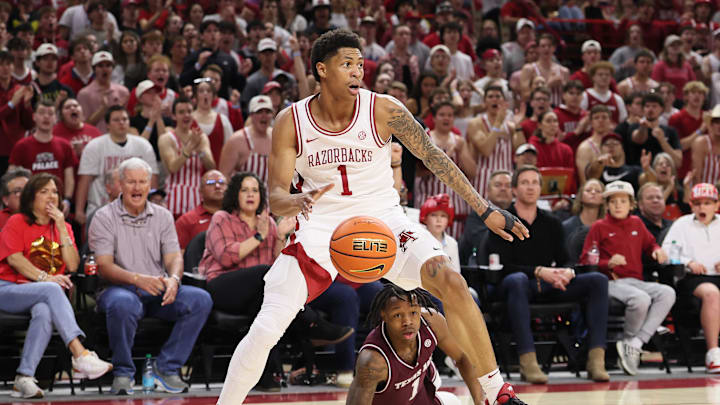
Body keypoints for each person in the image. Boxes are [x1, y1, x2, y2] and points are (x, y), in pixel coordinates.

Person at [216, 29, 529, 405]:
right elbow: (276, 197)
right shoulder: (291, 120)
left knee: (451, 281)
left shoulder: (383, 109)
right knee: (266, 329)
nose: (356, 72)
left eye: (360, 65)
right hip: (320, 227)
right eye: (346, 64)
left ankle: (498, 394)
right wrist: (297, 201)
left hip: (384, 222)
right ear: (322, 70)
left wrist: (486, 209)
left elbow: (434, 157)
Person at [88, 158, 213, 395]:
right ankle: (123, 372)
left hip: (157, 289)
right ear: (121, 185)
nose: (137, 188)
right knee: (123, 303)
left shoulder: (163, 216)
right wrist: (137, 279)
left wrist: (174, 280)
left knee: (200, 300)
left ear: (150, 185)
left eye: (142, 182)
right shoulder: (104, 217)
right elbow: (103, 266)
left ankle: (166, 368)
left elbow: (174, 257)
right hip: (118, 289)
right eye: (131, 182)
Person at [487, 166, 610, 383]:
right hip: (516, 287)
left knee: (598, 281)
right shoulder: (502, 221)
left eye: (535, 182)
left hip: (549, 284)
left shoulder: (551, 222)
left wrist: (567, 273)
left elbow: (565, 259)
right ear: (514, 189)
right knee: (517, 280)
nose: (531, 187)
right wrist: (538, 271)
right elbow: (501, 267)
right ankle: (528, 361)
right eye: (525, 182)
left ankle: (596, 360)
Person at [0, 173, 113, 399]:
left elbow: (71, 264)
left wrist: (62, 227)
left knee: (44, 312)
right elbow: (14, 259)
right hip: (7, 288)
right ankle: (79, 353)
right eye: (43, 192)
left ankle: (23, 378)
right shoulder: (17, 221)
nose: (51, 196)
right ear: (31, 198)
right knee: (52, 290)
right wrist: (45, 278)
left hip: (42, 296)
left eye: (54, 191)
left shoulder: (62, 226)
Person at [580, 180, 675, 376]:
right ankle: (631, 346)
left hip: (636, 281)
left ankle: (635, 342)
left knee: (668, 292)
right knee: (641, 299)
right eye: (613, 201)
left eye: (622, 201)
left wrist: (658, 250)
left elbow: (651, 245)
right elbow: (585, 260)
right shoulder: (599, 226)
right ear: (606, 205)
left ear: (631, 204)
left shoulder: (637, 223)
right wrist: (608, 263)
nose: (618, 205)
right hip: (609, 282)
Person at [346, 285, 483, 405]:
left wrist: (479, 401)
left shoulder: (432, 322)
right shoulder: (373, 361)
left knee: (453, 401)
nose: (407, 322)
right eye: (397, 315)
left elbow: (462, 357)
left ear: (419, 309)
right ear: (384, 315)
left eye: (413, 313)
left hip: (419, 396)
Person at [662, 183, 720, 374]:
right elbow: (667, 252)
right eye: (698, 203)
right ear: (691, 205)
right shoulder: (682, 224)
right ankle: (713, 354)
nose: (702, 208)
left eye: (707, 203)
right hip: (693, 279)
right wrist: (688, 262)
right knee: (712, 294)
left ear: (716, 204)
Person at [75, 106, 159, 225]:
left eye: (125, 119)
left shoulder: (143, 145)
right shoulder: (95, 146)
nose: (121, 123)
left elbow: (152, 180)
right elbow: (84, 180)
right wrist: (79, 211)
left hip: (137, 211)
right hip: (100, 207)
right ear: (107, 124)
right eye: (116, 120)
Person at [9, 101, 77, 212]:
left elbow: (69, 177)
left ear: (56, 118)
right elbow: (11, 177)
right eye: (41, 113)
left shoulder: (64, 145)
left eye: (50, 113)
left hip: (57, 204)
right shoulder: (21, 146)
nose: (46, 117)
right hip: (29, 205)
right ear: (34, 116)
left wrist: (67, 200)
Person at [158, 98, 215, 218]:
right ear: (174, 116)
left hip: (196, 198)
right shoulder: (166, 138)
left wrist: (200, 151)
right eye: (181, 112)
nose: (186, 115)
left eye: (189, 111)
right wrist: (190, 147)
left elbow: (211, 167)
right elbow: (172, 167)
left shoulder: (201, 138)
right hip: (173, 200)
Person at [458, 170, 513, 266]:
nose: (503, 189)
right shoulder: (477, 215)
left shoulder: (518, 214)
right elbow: (483, 246)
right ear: (488, 190)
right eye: (498, 185)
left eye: (508, 186)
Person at [219, 95, 274, 184]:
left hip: (271, 196)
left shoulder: (277, 137)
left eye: (267, 112)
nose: (264, 116)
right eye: (259, 112)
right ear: (251, 115)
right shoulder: (237, 140)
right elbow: (224, 175)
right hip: (244, 196)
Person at [77, 51, 130, 134]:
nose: (104, 69)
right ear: (94, 69)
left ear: (112, 68)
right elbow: (83, 125)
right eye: (100, 66)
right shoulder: (84, 94)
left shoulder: (123, 92)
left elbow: (128, 122)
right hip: (95, 140)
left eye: (108, 66)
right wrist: (102, 110)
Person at [175, 170, 226, 251]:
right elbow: (178, 256)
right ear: (200, 191)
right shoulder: (186, 221)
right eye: (211, 183)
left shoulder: (236, 216)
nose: (217, 186)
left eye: (221, 182)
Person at [627, 93, 682, 167]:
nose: (650, 109)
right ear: (643, 109)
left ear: (662, 109)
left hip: (662, 172)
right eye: (647, 106)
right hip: (639, 171)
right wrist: (643, 127)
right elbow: (638, 139)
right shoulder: (635, 126)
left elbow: (678, 162)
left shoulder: (670, 131)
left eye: (654, 106)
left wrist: (662, 140)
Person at [562, 179, 605, 263]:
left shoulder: (607, 226)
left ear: (604, 199)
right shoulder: (566, 226)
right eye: (588, 190)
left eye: (598, 191)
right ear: (580, 196)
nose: (593, 192)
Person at [691, 104, 720, 185]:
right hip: (704, 193)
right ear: (711, 124)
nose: (719, 126)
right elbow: (696, 176)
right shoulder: (701, 143)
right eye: (717, 122)